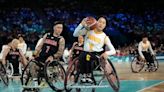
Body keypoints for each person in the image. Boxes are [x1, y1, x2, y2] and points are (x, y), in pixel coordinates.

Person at [73, 17, 116, 83]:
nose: (101, 24)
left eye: (103, 23)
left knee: (87, 56)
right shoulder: (88, 30)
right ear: (96, 22)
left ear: (105, 26)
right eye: (100, 22)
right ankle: (83, 74)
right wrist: (81, 24)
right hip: (85, 53)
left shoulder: (104, 37)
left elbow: (113, 51)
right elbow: (75, 34)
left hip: (96, 56)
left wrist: (106, 53)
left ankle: (88, 75)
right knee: (82, 55)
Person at [32, 21, 65, 85]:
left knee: (49, 67)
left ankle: (49, 78)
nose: (60, 30)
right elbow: (39, 46)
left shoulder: (61, 39)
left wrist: (52, 56)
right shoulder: (47, 35)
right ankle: (35, 82)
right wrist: (34, 54)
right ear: (54, 28)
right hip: (42, 57)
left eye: (61, 28)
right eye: (58, 27)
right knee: (31, 64)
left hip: (52, 59)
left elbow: (60, 52)